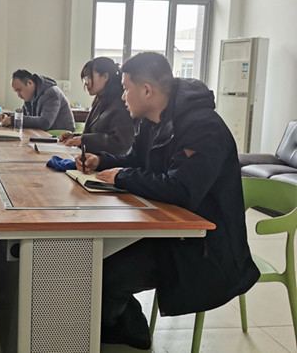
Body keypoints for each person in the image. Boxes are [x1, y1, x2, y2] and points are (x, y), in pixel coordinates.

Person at [76, 52, 260, 349]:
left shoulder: (204, 127)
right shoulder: (151, 121)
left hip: (201, 245)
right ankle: (114, 322)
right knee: (93, 255)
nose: (122, 96)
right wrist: (102, 161)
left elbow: (181, 189)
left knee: (106, 271)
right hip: (168, 228)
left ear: (147, 90)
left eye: (126, 89)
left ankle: (126, 329)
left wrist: (122, 176)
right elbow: (135, 160)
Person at [59, 57, 134, 154]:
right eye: (84, 79)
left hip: (106, 162)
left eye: (88, 78)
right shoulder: (100, 101)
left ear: (105, 77)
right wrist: (75, 137)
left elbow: (120, 144)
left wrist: (83, 140)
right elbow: (96, 133)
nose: (86, 83)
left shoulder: (122, 104)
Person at [0, 69, 75, 132]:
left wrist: (13, 120)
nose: (18, 95)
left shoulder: (51, 92)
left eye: (19, 90)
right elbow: (23, 115)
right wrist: (7, 115)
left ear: (30, 83)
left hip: (60, 137)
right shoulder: (31, 95)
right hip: (44, 135)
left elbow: (45, 123)